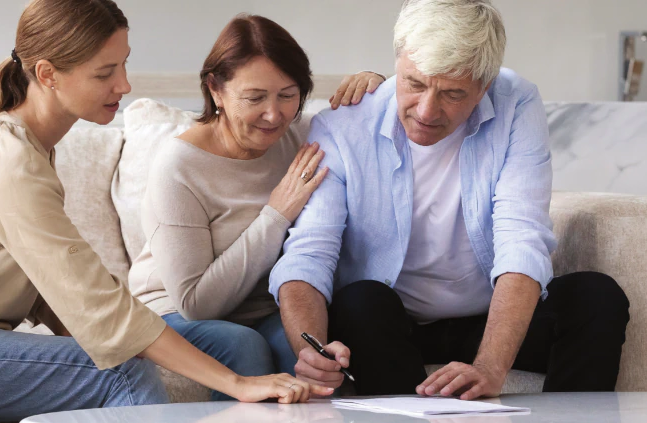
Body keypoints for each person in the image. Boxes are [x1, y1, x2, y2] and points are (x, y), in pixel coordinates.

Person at [0, 1, 333, 421]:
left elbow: (52, 286)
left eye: (124, 64)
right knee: (124, 374)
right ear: (48, 74)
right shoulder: (6, 157)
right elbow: (87, 295)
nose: (125, 85)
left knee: (122, 357)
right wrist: (235, 383)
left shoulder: (32, 148)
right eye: (105, 72)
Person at [269, 0, 630, 400]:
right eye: (415, 83)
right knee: (360, 302)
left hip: (486, 317)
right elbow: (309, 253)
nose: (426, 111)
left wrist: (490, 366)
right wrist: (310, 348)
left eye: (453, 93)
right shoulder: (343, 124)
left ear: (485, 84)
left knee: (596, 298)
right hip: (387, 325)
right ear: (398, 62)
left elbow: (521, 236)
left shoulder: (517, 102)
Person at [127, 15, 385, 400]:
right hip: (175, 315)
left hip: (266, 312)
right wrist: (276, 214)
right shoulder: (178, 166)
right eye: (254, 98)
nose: (274, 114)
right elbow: (198, 304)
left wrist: (377, 87)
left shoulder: (304, 135)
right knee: (243, 345)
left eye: (287, 94)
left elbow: (375, 124)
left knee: (313, 354)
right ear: (215, 89)